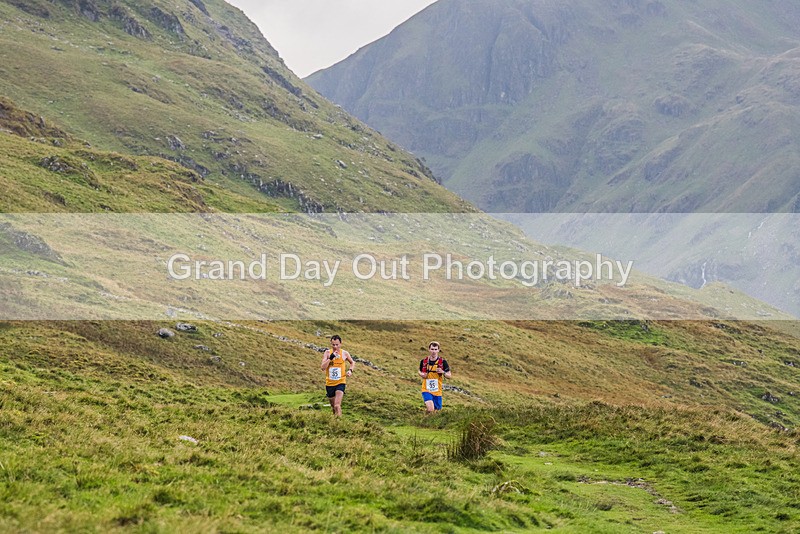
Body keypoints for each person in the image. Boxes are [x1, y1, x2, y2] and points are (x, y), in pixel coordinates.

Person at [321, 334, 355, 416]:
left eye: (337, 344)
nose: (335, 346)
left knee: (337, 405)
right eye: (333, 345)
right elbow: (322, 367)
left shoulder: (344, 353)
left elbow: (352, 362)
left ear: (340, 344)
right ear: (331, 344)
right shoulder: (328, 353)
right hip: (329, 383)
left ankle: (340, 424)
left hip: (341, 382)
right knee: (333, 407)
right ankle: (335, 423)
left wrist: (350, 370)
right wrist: (330, 358)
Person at [419, 341, 451, 413]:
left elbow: (449, 375)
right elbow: (419, 371)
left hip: (437, 391)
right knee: (431, 409)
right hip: (426, 389)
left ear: (439, 350)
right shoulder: (424, 361)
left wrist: (443, 372)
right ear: (429, 350)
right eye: (432, 349)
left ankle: (424, 420)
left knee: (436, 412)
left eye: (435, 349)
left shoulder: (443, 362)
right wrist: (422, 375)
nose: (434, 351)